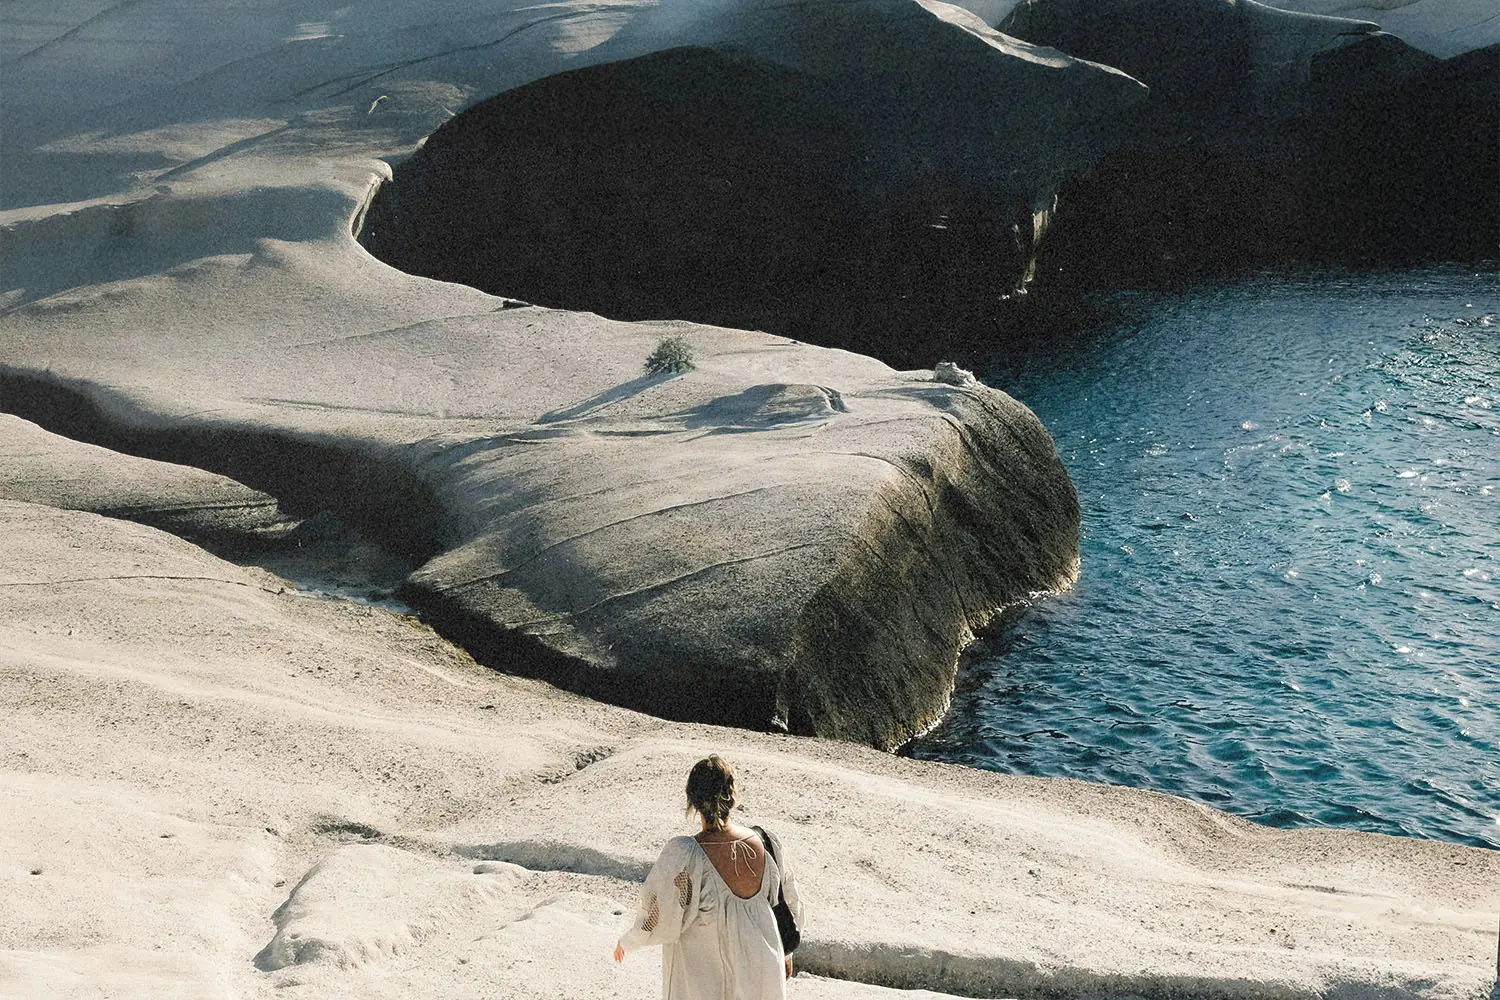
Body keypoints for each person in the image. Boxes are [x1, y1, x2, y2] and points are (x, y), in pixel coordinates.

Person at [613, 754, 802, 999]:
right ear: (733, 794)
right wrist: (786, 955)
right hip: (762, 973)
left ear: (692, 800)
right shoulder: (766, 843)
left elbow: (658, 914)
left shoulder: (686, 855)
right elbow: (789, 904)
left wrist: (628, 941)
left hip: (703, 980)